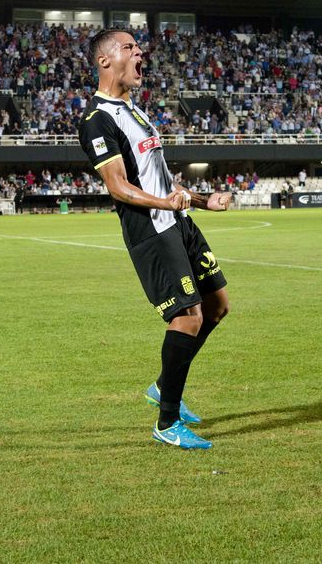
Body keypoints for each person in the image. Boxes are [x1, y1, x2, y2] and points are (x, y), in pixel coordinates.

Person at [78, 29, 233, 450]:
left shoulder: (137, 113)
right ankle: (167, 421)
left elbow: (163, 183)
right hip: (151, 230)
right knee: (187, 317)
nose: (139, 53)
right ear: (105, 61)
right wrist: (168, 205)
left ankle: (163, 387)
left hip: (179, 223)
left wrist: (202, 201)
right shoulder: (98, 120)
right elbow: (119, 187)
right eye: (129, 47)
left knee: (217, 305)